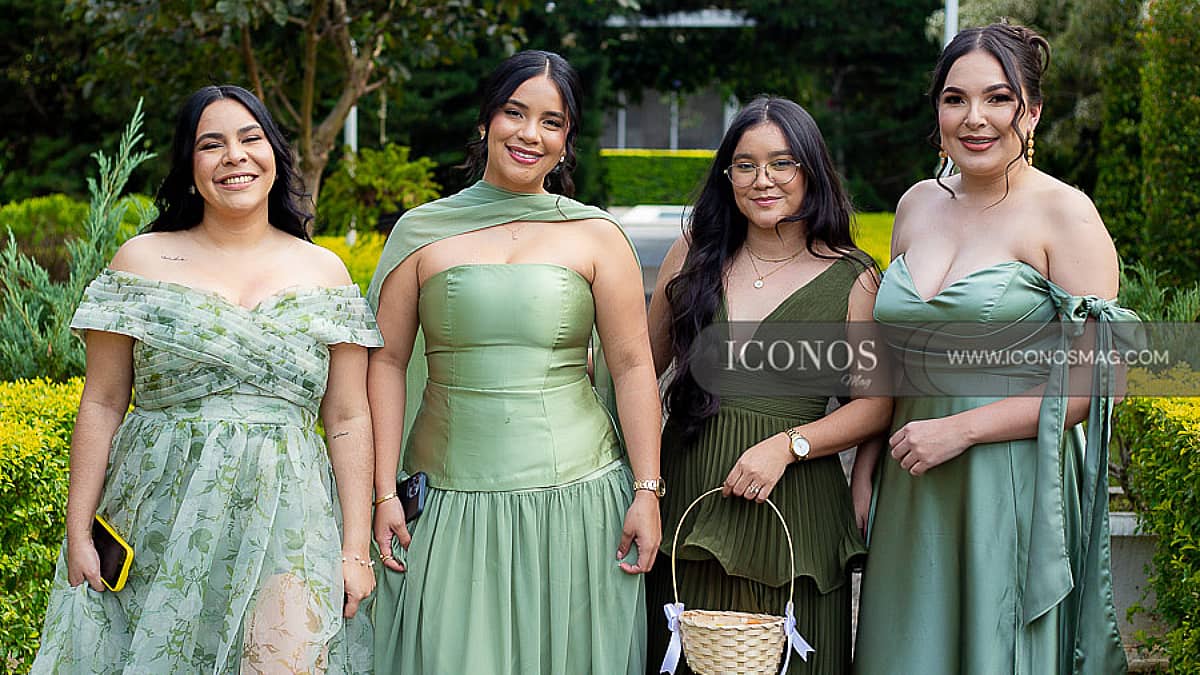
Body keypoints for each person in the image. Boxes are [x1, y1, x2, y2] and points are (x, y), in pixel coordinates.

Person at [30, 85, 379, 674]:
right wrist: (78, 531)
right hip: (161, 517)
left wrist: (353, 550)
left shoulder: (324, 269)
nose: (234, 156)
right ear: (189, 169)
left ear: (275, 154)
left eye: (250, 139)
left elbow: (346, 416)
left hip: (289, 516)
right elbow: (103, 401)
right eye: (210, 144)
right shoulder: (140, 260)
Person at [367, 50, 661, 674]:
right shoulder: (421, 232)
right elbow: (386, 363)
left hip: (576, 500)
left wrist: (647, 491)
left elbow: (634, 366)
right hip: (446, 498)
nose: (530, 134)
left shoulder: (597, 235)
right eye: (514, 113)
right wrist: (382, 490)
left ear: (566, 141)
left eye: (551, 122)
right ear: (484, 123)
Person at [854, 23, 1133, 674]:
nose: (974, 118)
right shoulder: (916, 205)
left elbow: (1089, 388)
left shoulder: (1067, 215)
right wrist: (868, 460)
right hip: (911, 477)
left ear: (1031, 111)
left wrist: (960, 430)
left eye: (998, 98)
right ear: (938, 112)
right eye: (955, 99)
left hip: (1008, 481)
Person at [644, 96, 892, 675]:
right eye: (745, 165)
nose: (763, 180)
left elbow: (877, 405)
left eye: (782, 164)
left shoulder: (853, 277)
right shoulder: (692, 256)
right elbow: (636, 370)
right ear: (726, 174)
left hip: (795, 510)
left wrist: (787, 446)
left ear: (811, 170)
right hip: (690, 497)